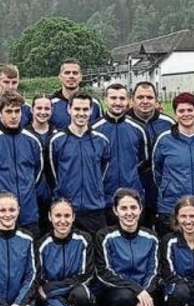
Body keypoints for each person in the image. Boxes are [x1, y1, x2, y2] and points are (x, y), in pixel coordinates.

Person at [152, 93, 194, 237]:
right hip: (171, 205)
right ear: (175, 114)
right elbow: (156, 170)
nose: (186, 114)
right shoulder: (164, 140)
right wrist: (168, 188)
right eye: (181, 111)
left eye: (190, 110)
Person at [94, 189, 160, 306]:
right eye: (123, 208)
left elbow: (153, 272)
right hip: (116, 292)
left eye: (133, 207)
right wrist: (137, 290)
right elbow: (103, 272)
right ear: (115, 210)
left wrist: (146, 294)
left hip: (143, 292)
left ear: (140, 209)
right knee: (125, 297)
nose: (129, 213)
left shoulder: (151, 237)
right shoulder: (104, 236)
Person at [36, 199, 95, 306]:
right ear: (50, 217)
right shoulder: (41, 245)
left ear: (73, 217)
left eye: (67, 215)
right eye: (58, 215)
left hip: (73, 294)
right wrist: (61, 305)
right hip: (53, 301)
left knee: (82, 293)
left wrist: (50, 289)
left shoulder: (84, 240)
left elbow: (86, 275)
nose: (63, 220)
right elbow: (39, 288)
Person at [0, 91, 44, 233]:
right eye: (8, 111)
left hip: (28, 214)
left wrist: (26, 189)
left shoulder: (33, 141)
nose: (14, 116)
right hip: (0, 215)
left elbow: (38, 173)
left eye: (17, 111)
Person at [48, 93, 111, 236]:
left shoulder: (101, 141)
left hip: (94, 209)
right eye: (77, 109)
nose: (81, 114)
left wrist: (94, 189)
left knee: (95, 254)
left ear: (91, 111)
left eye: (85, 109)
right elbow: (51, 173)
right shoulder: (56, 141)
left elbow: (103, 170)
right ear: (69, 109)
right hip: (67, 210)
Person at [92, 84, 149, 222]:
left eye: (122, 98)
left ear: (128, 100)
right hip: (103, 199)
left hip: (132, 200)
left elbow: (145, 161)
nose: (118, 102)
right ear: (105, 99)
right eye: (113, 98)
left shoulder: (139, 129)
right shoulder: (93, 130)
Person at [129, 82, 175, 227]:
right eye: (140, 97)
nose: (145, 101)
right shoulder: (124, 122)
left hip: (162, 193)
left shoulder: (168, 123)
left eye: (149, 97)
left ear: (156, 100)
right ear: (132, 100)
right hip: (131, 191)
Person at [28, 94, 55, 232]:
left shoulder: (58, 136)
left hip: (54, 197)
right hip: (31, 199)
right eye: (39, 108)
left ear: (52, 110)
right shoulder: (24, 135)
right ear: (32, 110)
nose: (43, 112)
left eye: (47, 108)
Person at [50, 58, 102, 129]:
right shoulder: (50, 104)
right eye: (67, 73)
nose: (71, 76)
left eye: (75, 73)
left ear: (81, 77)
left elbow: (102, 129)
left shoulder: (94, 104)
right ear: (60, 77)